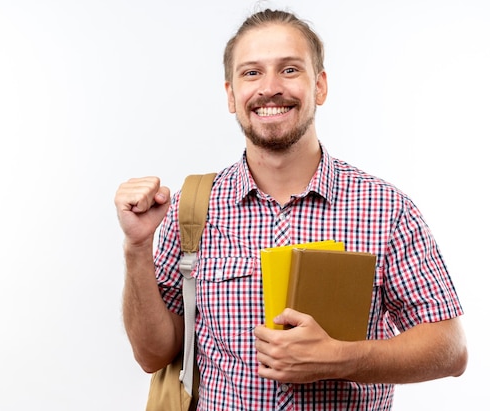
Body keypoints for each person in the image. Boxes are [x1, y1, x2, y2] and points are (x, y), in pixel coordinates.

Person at [114, 8, 467, 410]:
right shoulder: (193, 208)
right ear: (231, 95)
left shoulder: (387, 209)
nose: (269, 88)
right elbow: (152, 355)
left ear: (320, 86)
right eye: (251, 73)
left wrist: (340, 358)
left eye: (289, 70)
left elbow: (450, 348)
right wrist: (136, 248)